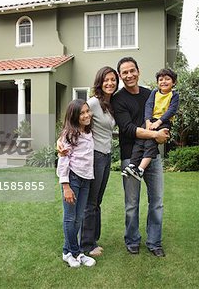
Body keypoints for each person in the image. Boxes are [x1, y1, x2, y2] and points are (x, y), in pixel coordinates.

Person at [111, 57, 169, 257]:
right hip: (131, 158)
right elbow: (127, 129)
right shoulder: (118, 99)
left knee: (157, 201)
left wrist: (163, 133)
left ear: (138, 71)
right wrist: (155, 134)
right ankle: (132, 239)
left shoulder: (150, 94)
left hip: (152, 156)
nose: (129, 75)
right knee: (131, 203)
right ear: (120, 76)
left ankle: (154, 242)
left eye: (132, 71)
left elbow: (161, 118)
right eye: (124, 72)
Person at [80, 66, 118, 257]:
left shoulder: (109, 104)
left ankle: (93, 240)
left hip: (106, 155)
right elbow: (77, 119)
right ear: (100, 83)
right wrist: (64, 142)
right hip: (95, 156)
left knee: (97, 201)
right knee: (91, 202)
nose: (110, 83)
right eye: (106, 80)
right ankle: (86, 245)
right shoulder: (93, 103)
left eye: (113, 80)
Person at [56, 99, 97, 268]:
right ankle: (75, 252)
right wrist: (66, 186)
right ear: (74, 115)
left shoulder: (87, 132)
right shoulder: (69, 134)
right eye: (82, 113)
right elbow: (63, 159)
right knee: (70, 218)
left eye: (87, 111)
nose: (86, 115)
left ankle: (69, 251)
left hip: (86, 179)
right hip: (72, 179)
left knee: (79, 218)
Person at [122, 68, 179, 180]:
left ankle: (141, 169)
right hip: (150, 120)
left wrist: (158, 122)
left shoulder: (174, 95)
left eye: (167, 79)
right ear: (157, 82)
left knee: (150, 144)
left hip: (164, 122)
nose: (164, 82)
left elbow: (171, 110)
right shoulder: (154, 93)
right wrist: (148, 121)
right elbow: (148, 106)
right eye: (161, 79)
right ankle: (132, 165)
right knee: (139, 141)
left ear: (173, 82)